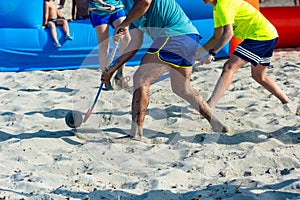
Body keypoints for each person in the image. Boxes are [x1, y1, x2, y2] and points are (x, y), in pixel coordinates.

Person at [101, 0, 228, 141]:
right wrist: (112, 68)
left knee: (141, 79)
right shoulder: (128, 7)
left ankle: (136, 133)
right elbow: (136, 42)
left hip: (175, 36)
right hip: (189, 38)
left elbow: (145, 2)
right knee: (182, 88)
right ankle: (215, 122)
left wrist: (124, 24)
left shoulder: (134, 7)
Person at [196, 0, 291, 109]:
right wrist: (196, 54)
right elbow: (216, 37)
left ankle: (209, 106)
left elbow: (228, 33)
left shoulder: (223, 4)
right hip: (270, 35)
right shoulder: (216, 8)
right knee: (259, 76)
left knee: (229, 67)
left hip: (260, 36)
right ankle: (287, 102)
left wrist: (212, 53)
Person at [89, 0, 131, 90]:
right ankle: (106, 79)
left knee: (127, 38)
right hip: (99, 9)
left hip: (116, 7)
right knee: (104, 45)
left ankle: (120, 72)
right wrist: (103, 4)